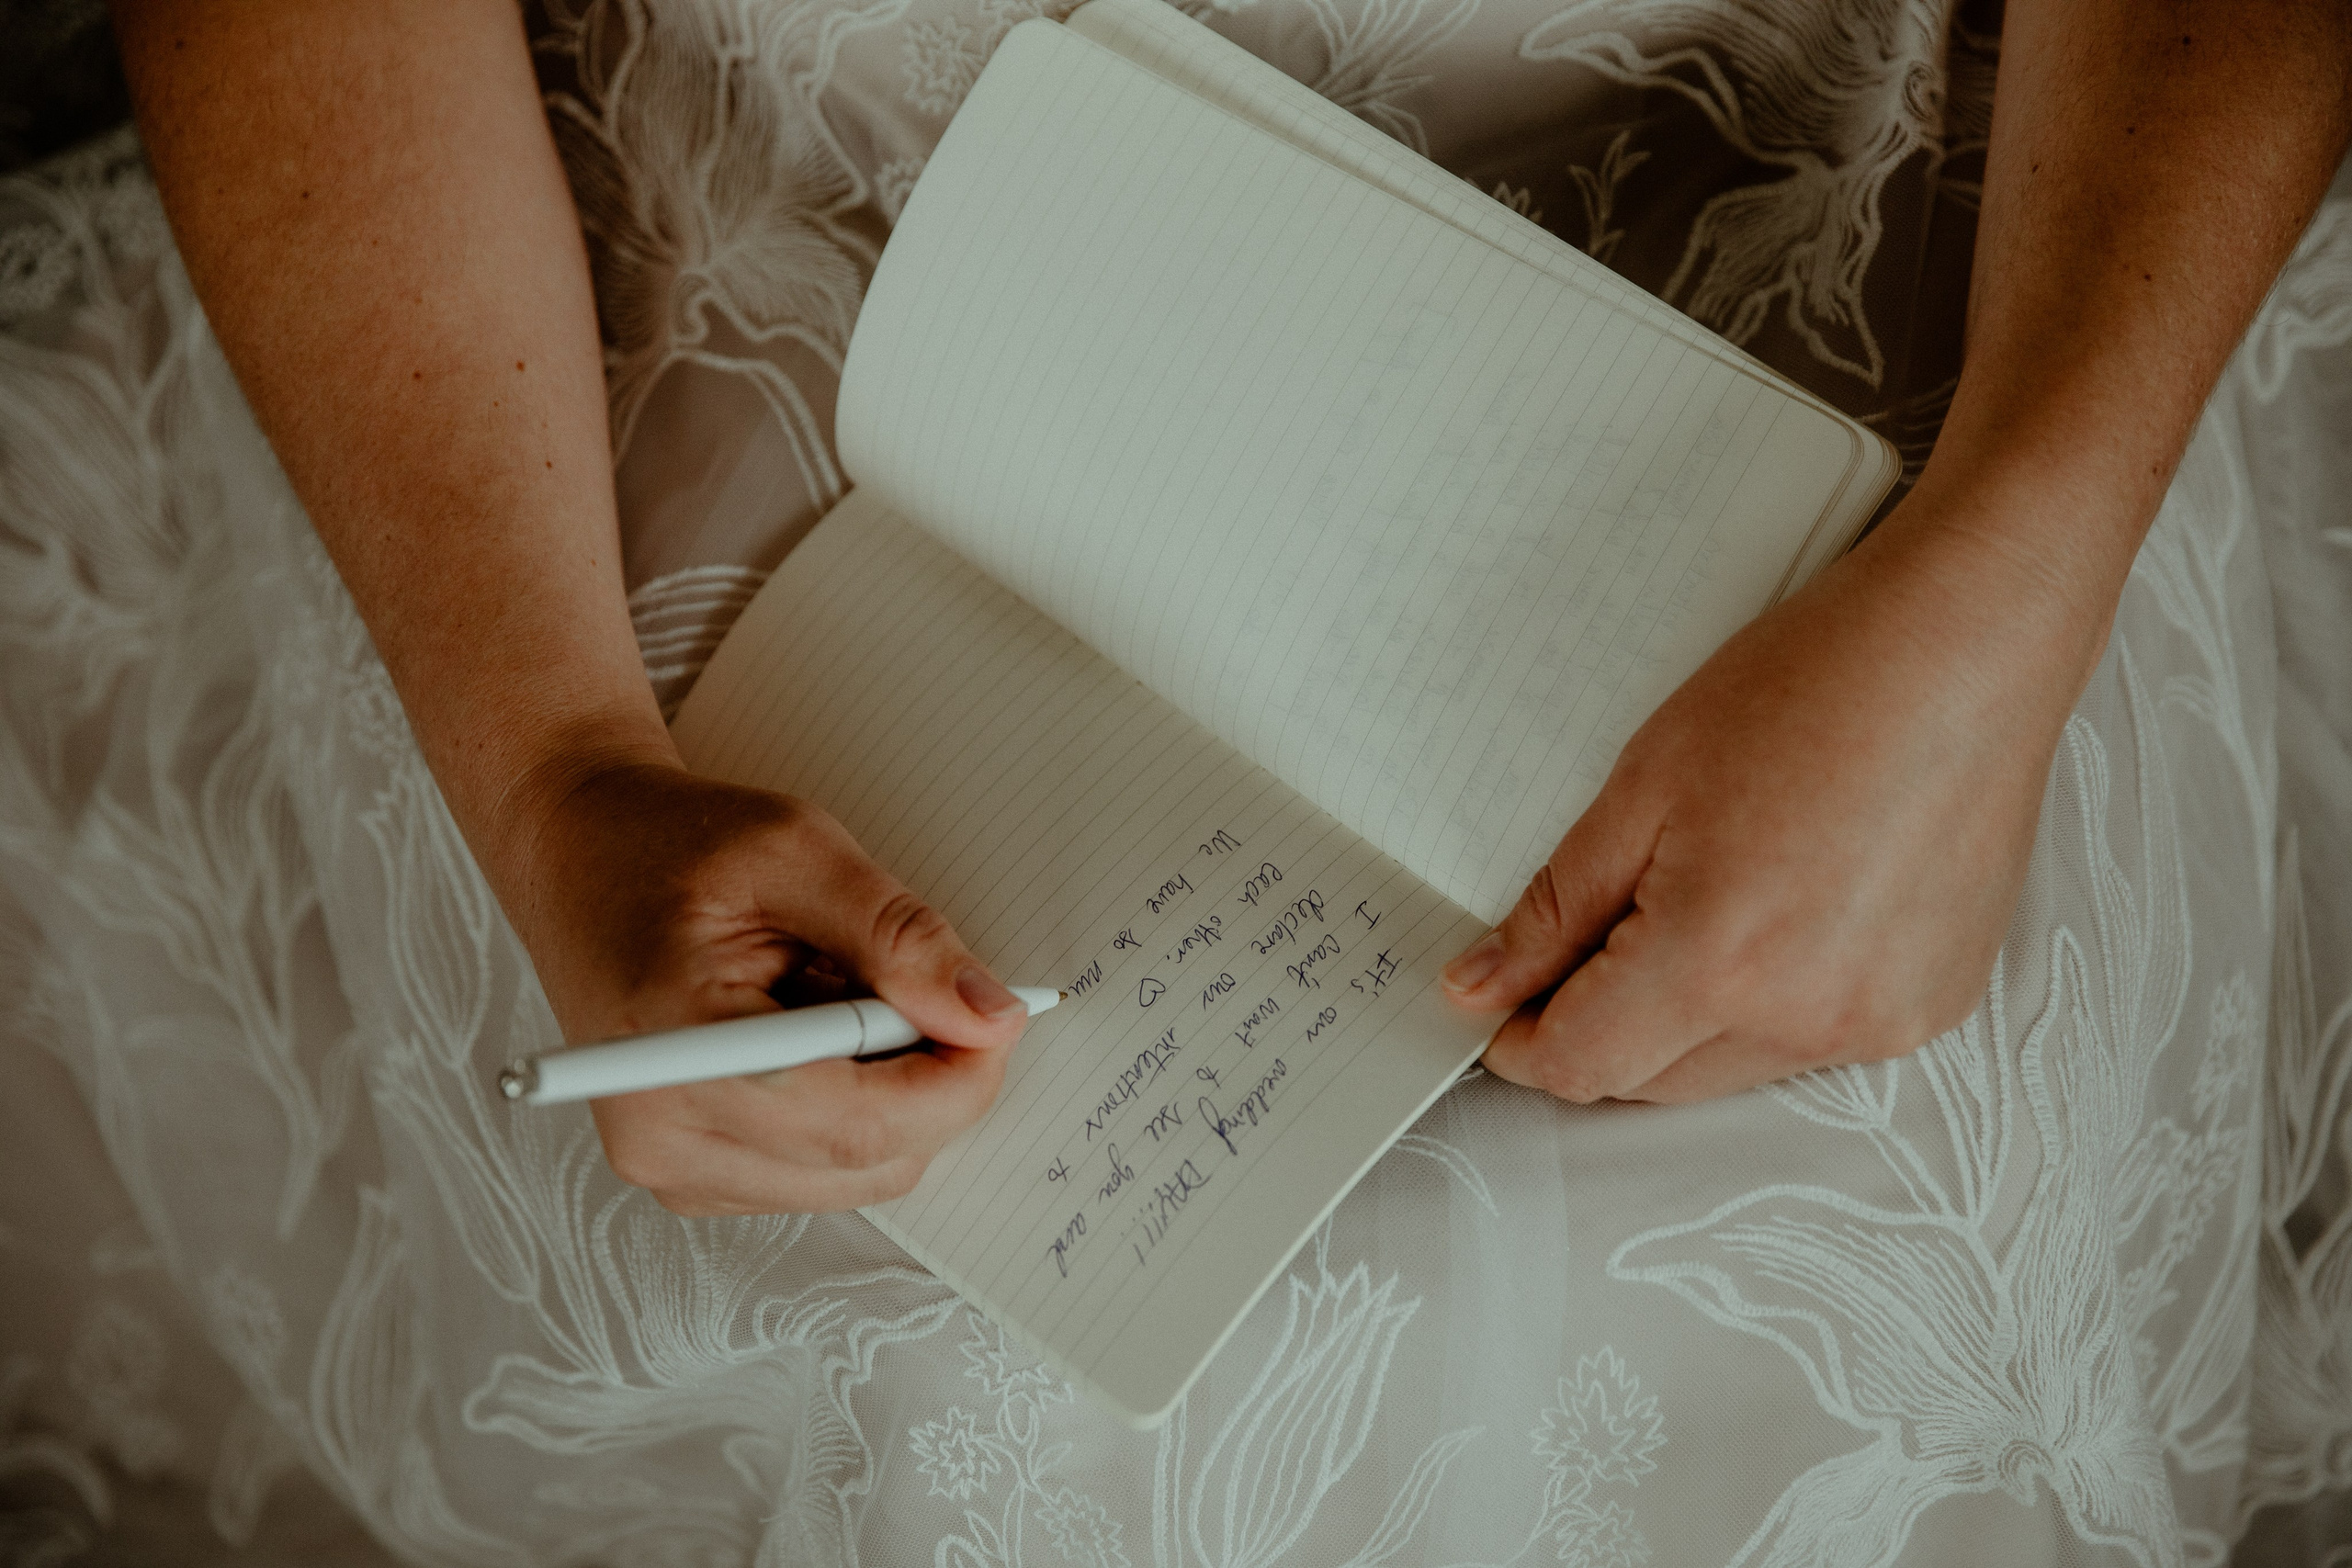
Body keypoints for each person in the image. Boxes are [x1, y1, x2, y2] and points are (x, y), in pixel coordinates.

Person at [108, 0, 2352, 1221]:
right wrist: (547, 767)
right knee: (879, 1302)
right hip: (720, 324)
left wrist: (2007, 586)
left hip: (1895, 306)